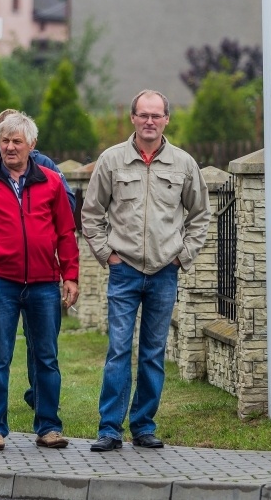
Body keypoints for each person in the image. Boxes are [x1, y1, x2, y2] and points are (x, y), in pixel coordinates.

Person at [81, 89, 210, 452]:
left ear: (167, 119)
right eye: (143, 115)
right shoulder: (112, 160)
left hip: (164, 272)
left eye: (156, 115)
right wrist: (108, 254)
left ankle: (143, 425)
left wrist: (182, 256)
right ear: (133, 119)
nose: (150, 121)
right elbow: (91, 215)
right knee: (119, 350)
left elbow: (200, 217)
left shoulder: (184, 164)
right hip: (124, 271)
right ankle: (109, 428)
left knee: (153, 352)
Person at [0, 112, 79, 451]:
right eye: (5, 141)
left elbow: (66, 233)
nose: (10, 147)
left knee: (46, 357)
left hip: (43, 284)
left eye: (17, 141)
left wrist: (70, 275)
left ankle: (49, 427)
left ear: (32, 145)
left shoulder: (52, 182)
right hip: (2, 285)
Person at [0, 109, 76, 212]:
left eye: (17, 140)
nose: (10, 147)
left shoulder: (44, 164)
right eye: (5, 138)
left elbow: (68, 204)